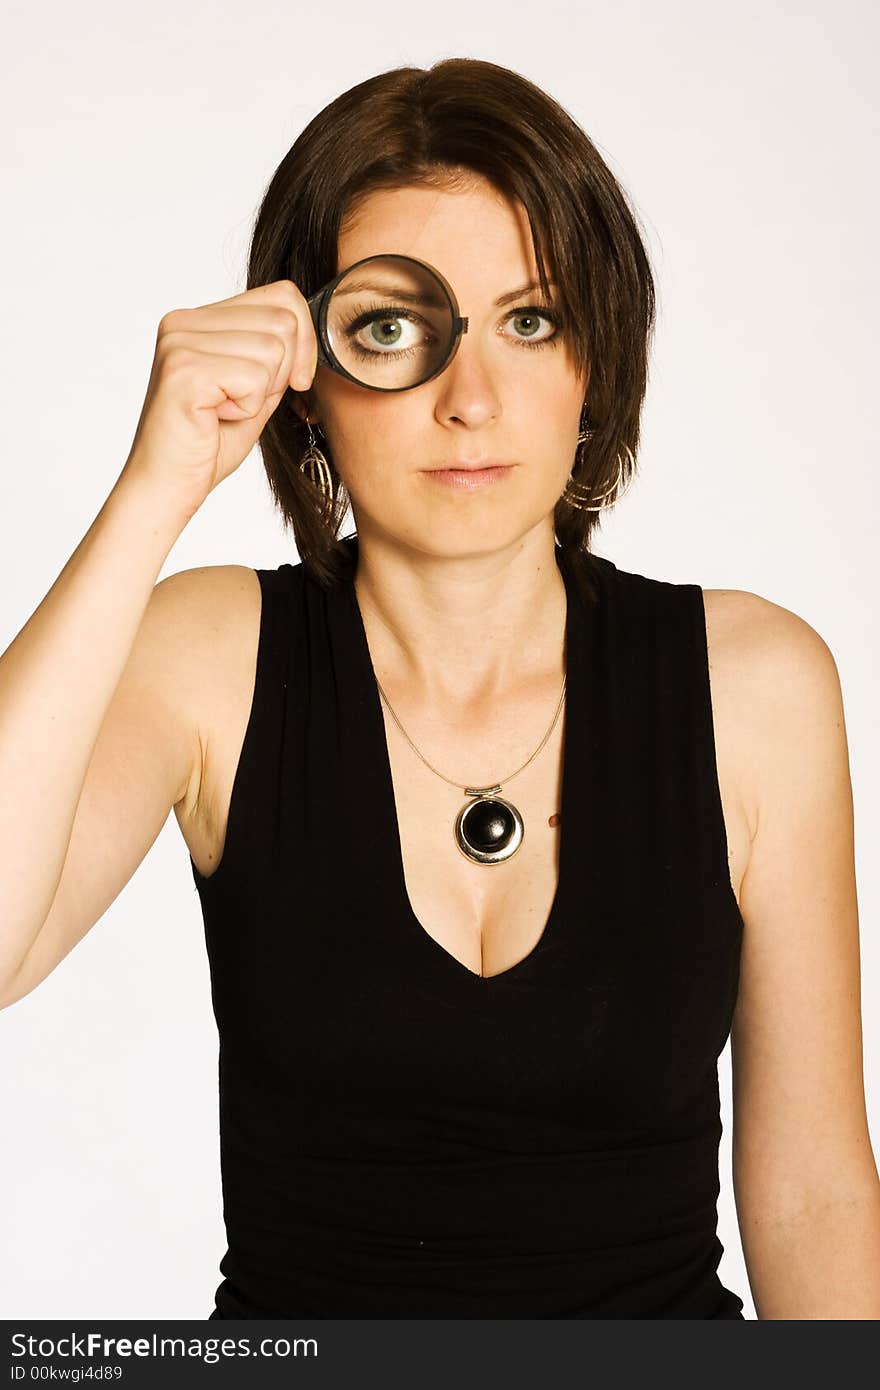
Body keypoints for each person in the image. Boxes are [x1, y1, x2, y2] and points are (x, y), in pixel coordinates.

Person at [2, 57, 878, 1321]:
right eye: (392, 328)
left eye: (531, 320)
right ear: (306, 372)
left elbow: (813, 1196)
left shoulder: (756, 685)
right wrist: (159, 484)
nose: (471, 401)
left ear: (596, 365)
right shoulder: (207, 656)